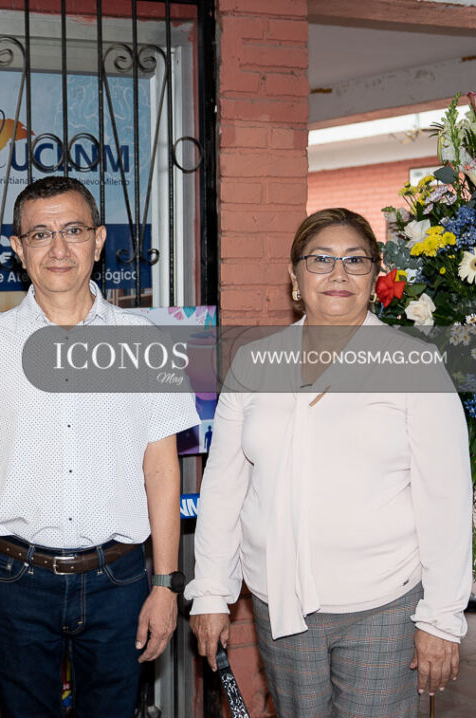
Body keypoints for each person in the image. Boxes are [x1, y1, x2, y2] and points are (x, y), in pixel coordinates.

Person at [186, 208, 474, 717]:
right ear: (294, 276)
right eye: (320, 259)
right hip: (280, 603)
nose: (338, 274)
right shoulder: (255, 364)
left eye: (354, 260)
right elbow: (225, 489)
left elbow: (447, 500)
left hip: (385, 606)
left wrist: (442, 617)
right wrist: (211, 592)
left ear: (374, 275)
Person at [0, 175, 200, 717]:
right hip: (13, 580)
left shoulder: (145, 344)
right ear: (17, 249)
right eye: (40, 235)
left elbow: (163, 470)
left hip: (121, 580)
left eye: (73, 230)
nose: (58, 249)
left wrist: (165, 584)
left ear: (100, 239)